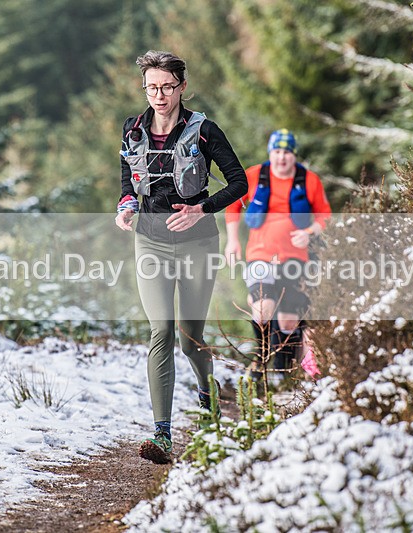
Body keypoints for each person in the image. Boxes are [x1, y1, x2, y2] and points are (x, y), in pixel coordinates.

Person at [115, 50, 247, 464]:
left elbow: (239, 183)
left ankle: (209, 401)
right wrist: (124, 207)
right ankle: (163, 435)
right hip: (149, 241)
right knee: (161, 331)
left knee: (190, 341)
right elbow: (126, 182)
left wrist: (201, 210)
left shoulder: (204, 130)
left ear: (182, 87)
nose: (159, 95)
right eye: (152, 87)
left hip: (197, 243)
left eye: (167, 87)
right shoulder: (132, 129)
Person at [224, 129, 331, 385]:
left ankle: (283, 372)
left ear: (294, 155)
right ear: (271, 153)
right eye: (277, 152)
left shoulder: (308, 180)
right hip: (260, 256)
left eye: (286, 152)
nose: (282, 158)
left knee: (289, 318)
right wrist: (233, 240)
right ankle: (260, 359)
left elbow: (324, 215)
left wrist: (309, 232)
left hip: (296, 258)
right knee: (262, 309)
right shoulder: (254, 175)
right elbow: (233, 206)